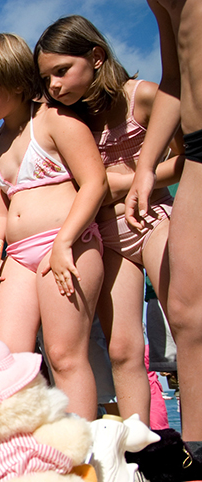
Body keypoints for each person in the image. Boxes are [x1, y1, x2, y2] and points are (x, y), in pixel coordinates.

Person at [35, 15, 182, 424]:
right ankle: (141, 450)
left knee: (185, 327)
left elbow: (189, 158)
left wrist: (132, 180)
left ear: (96, 56)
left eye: (62, 71)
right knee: (122, 349)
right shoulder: (71, 120)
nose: (54, 86)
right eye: (47, 79)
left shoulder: (144, 97)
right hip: (108, 237)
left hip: (154, 220)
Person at [0, 33, 109, 421]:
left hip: (68, 245)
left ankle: (82, 455)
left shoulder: (56, 121)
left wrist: (64, 242)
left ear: (15, 81)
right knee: (7, 361)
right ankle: (24, 452)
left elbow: (94, 183)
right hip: (18, 259)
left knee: (63, 354)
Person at [125, 0, 202, 450]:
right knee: (188, 313)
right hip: (194, 152)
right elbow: (174, 82)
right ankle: (196, 449)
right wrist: (147, 166)